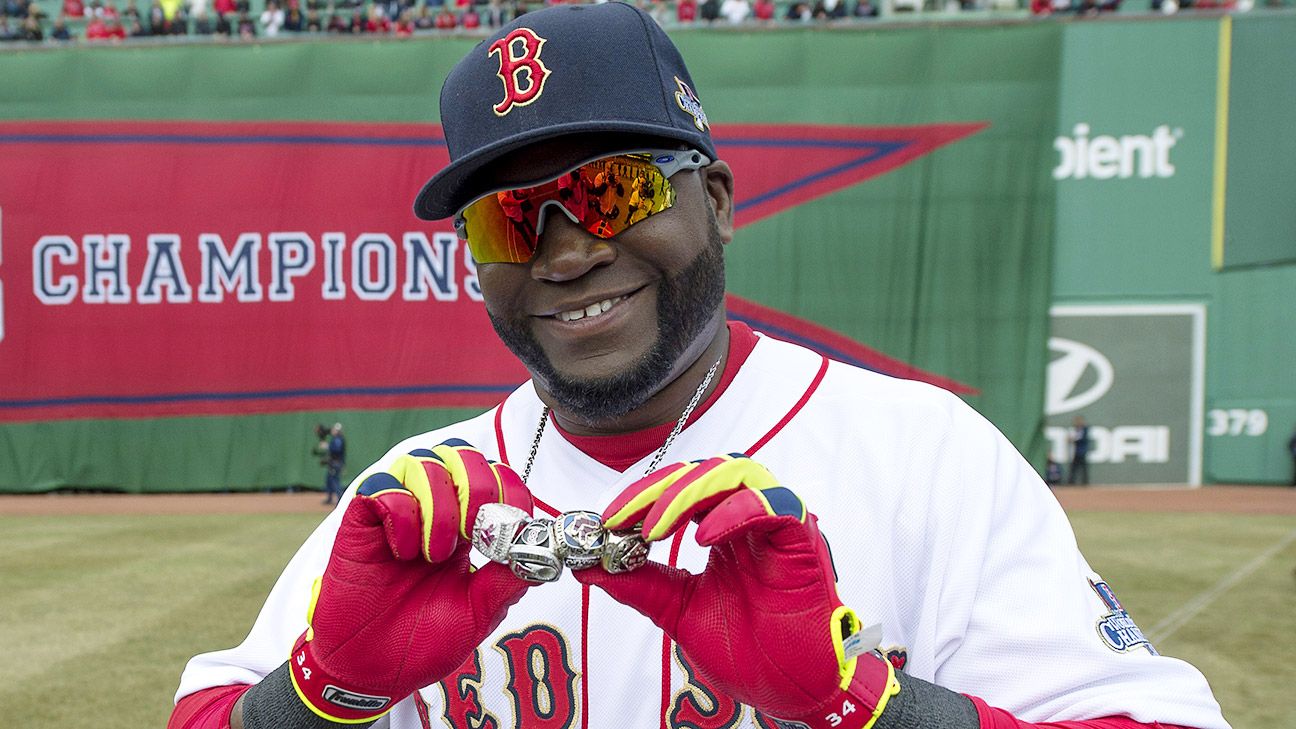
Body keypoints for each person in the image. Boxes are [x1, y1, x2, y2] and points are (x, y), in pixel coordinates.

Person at [169, 5, 1230, 729]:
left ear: (715, 200)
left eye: (615, 192)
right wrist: (318, 697)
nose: (568, 249)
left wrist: (874, 707)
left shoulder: (919, 456)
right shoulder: (413, 499)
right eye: (507, 222)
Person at [317, 422, 346, 505]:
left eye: (335, 430)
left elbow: (337, 450)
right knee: (329, 480)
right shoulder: (335, 438)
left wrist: (327, 446)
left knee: (335, 481)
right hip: (333, 462)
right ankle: (329, 498)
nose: (333, 430)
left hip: (336, 463)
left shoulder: (338, 439)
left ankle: (340, 498)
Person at [1068, 415, 1090, 485]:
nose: (1077, 423)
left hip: (1082, 452)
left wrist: (1073, 440)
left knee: (1083, 468)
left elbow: (1082, 439)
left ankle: (1085, 482)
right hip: (1076, 452)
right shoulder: (1076, 429)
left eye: (1079, 421)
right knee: (1074, 468)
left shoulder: (1085, 429)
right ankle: (1071, 482)